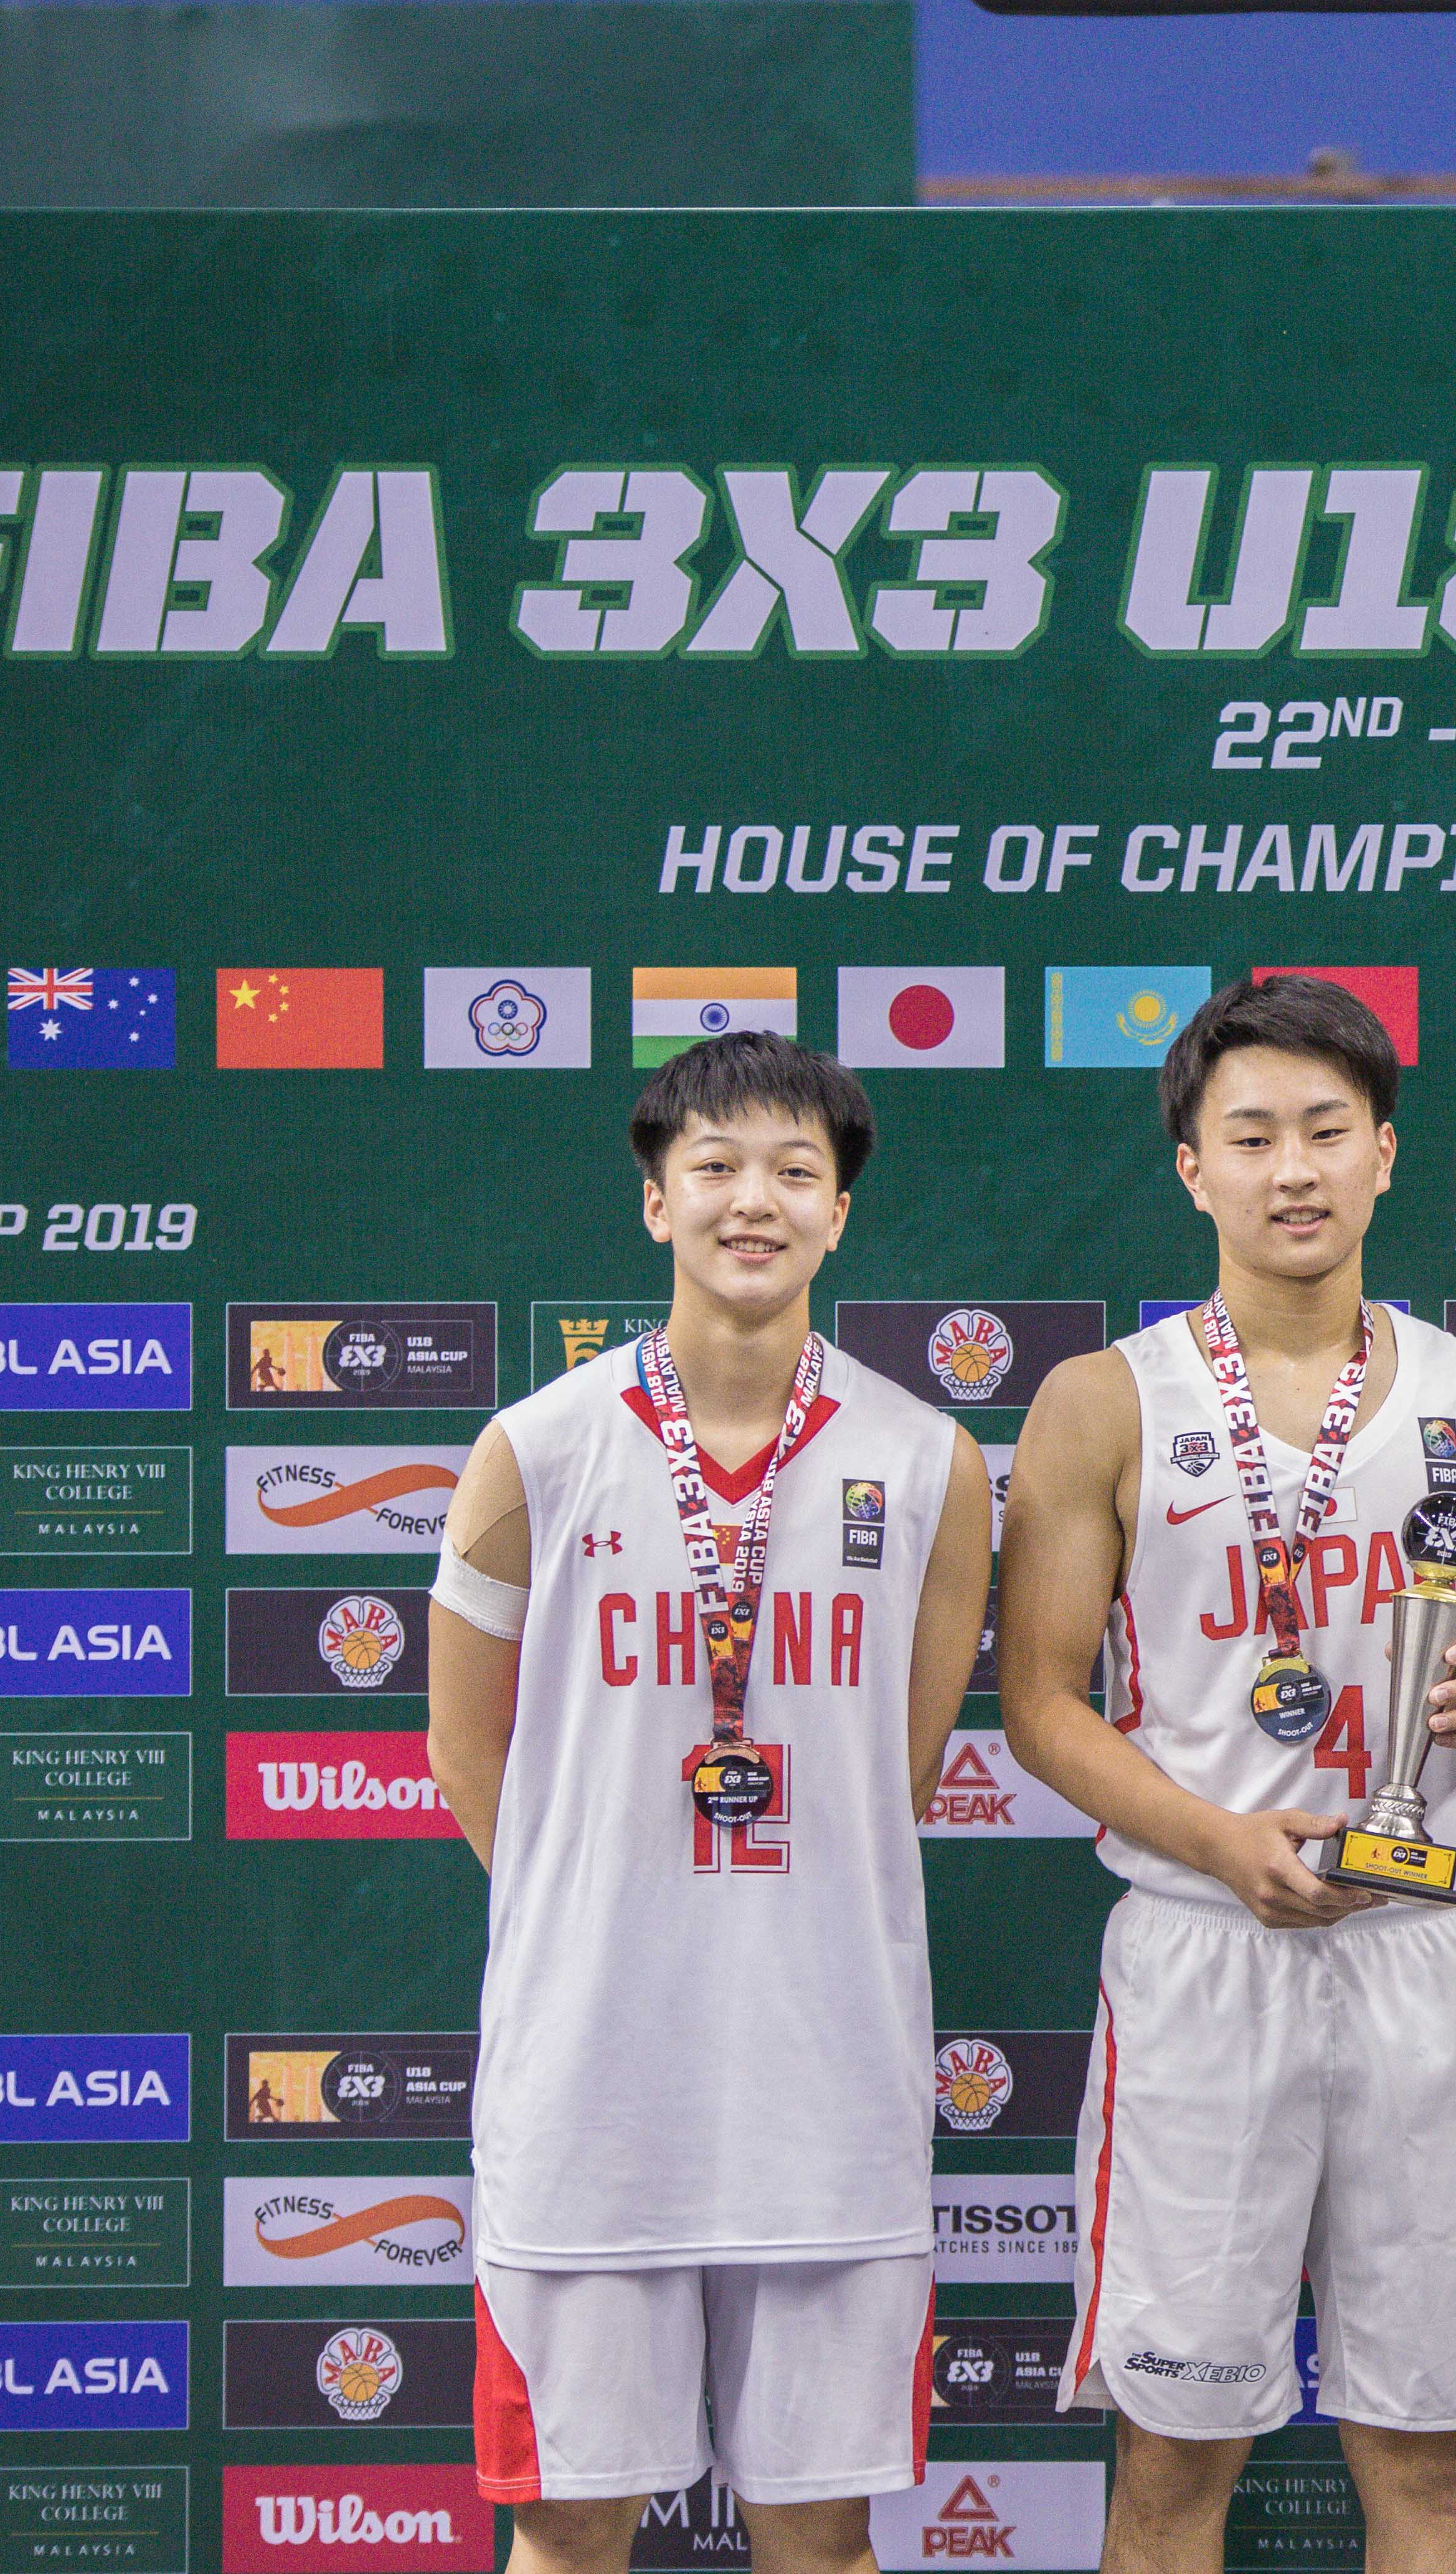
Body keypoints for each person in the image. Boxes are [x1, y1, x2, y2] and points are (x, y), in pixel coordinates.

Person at [995, 975, 1456, 2574]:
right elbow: (1040, 1703)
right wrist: (1222, 1837)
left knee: (1429, 2464)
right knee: (1172, 2469)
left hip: (1416, 1942)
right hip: (1199, 1950)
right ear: (1194, 1167)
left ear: (1387, 1152)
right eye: (1252, 1135)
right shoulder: (1104, 1399)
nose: (1292, 1168)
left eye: (1327, 1130)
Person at [426, 1033, 991, 2574]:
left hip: (830, 2093)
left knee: (821, 2539)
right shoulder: (533, 1450)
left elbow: (909, 1762)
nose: (758, 1201)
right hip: (593, 2092)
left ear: (840, 1215)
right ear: (656, 1202)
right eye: (719, 1168)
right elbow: (469, 1758)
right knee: (569, 2536)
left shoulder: (932, 1462)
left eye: (796, 1173)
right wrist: (595, 1895)